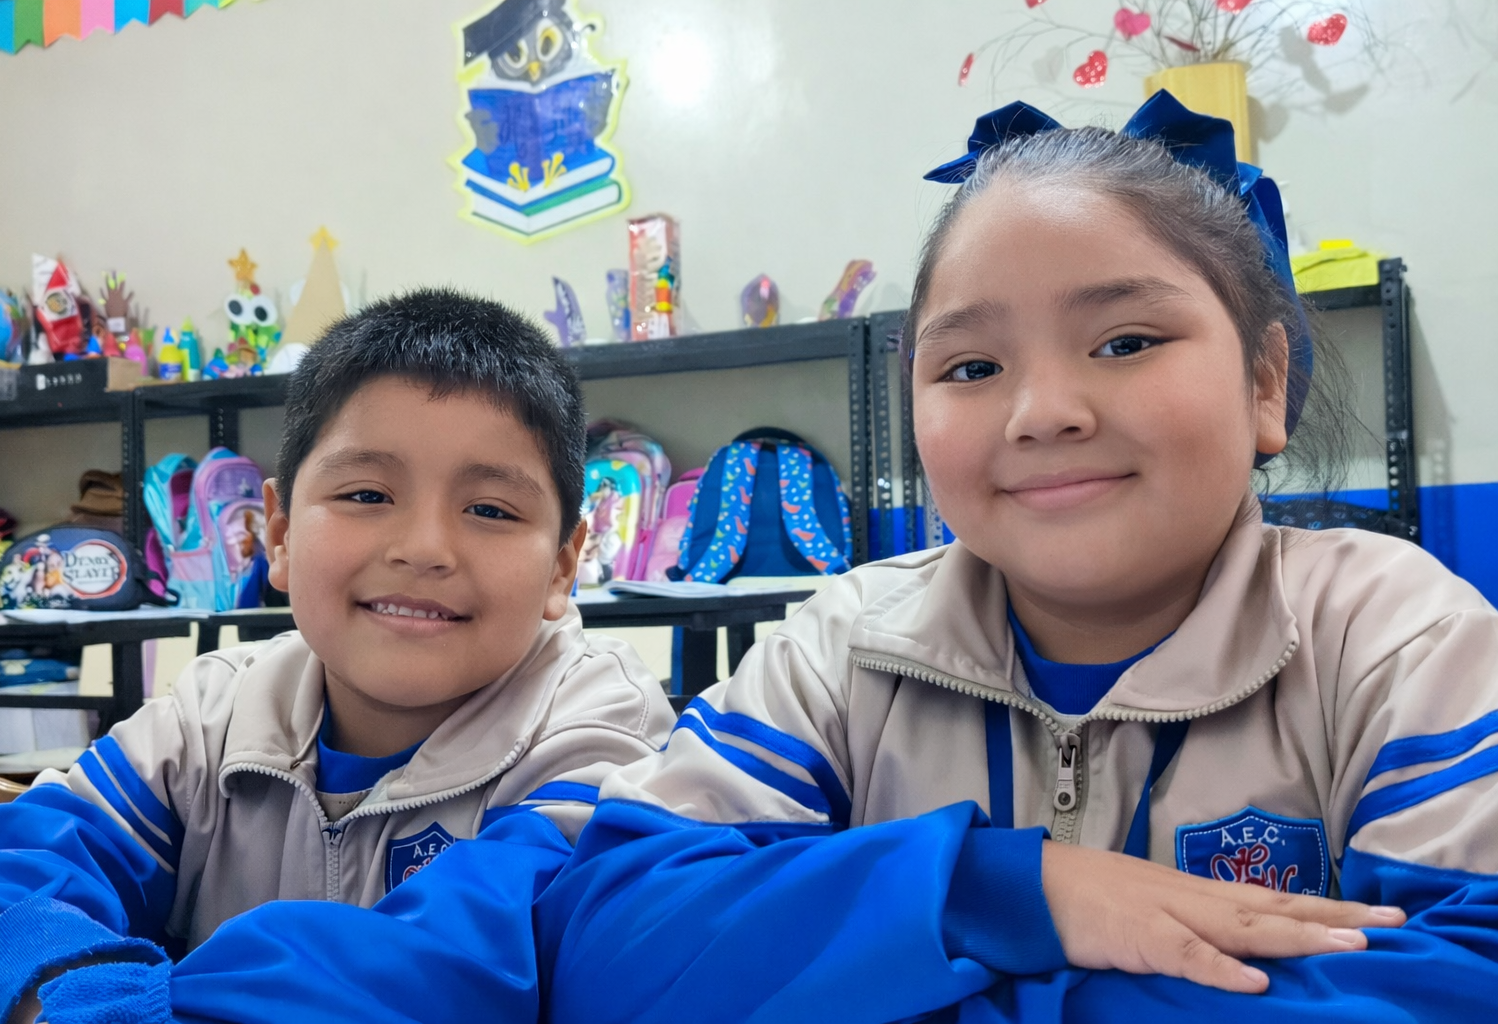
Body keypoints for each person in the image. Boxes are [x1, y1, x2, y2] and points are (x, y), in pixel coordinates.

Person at [533, 94, 1498, 1023]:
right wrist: (998, 891)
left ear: (1265, 383)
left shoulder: (1391, 637)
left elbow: (1467, 975)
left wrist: (885, 975)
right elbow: (611, 939)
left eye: (1125, 342)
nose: (1042, 414)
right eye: (973, 368)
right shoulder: (844, 649)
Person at [0, 289, 673, 1024]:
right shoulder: (214, 714)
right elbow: (7, 875)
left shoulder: (600, 729)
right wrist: (58, 992)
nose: (424, 548)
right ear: (278, 536)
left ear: (562, 567)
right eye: (367, 494)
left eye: (490, 509)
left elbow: (464, 960)